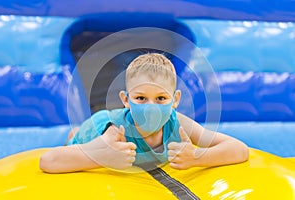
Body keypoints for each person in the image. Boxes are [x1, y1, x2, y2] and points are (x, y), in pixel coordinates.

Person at [39, 53, 249, 173]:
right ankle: (73, 132)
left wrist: (197, 157)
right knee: (75, 138)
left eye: (160, 98)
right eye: (140, 98)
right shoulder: (114, 134)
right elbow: (47, 161)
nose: (151, 107)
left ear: (175, 100)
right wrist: (101, 156)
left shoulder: (178, 123)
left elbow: (239, 149)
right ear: (126, 100)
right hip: (97, 126)